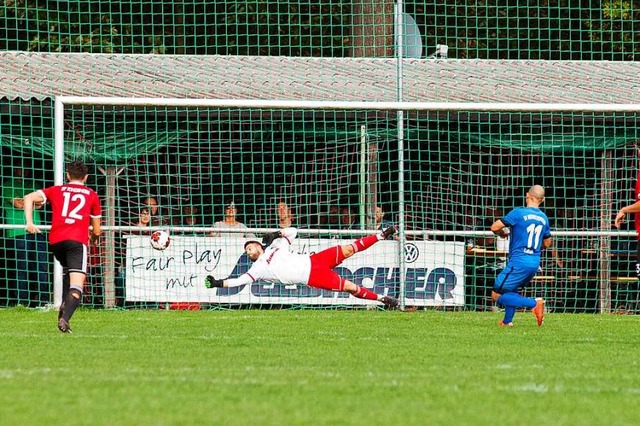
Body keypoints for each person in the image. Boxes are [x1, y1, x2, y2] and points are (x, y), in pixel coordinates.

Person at [204, 226, 400, 309]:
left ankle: (381, 235)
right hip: (312, 276)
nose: (249, 251)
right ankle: (383, 299)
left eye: (250, 247)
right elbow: (239, 281)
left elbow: (293, 232)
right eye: (247, 251)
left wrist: (277, 233)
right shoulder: (257, 268)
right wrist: (218, 283)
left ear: (257, 244)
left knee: (349, 248)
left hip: (315, 260)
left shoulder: (275, 245)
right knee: (351, 287)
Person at [23, 160, 102, 333]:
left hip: (56, 242)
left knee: (69, 273)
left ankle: (61, 316)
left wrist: (29, 222)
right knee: (77, 284)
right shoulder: (92, 195)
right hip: (76, 242)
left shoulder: (57, 190)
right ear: (86, 177)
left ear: (67, 175)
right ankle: (65, 319)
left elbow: (28, 197)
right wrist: (94, 238)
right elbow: (96, 229)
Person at [489, 185, 551, 327]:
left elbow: (494, 227)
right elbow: (547, 243)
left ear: (527, 195)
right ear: (543, 200)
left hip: (519, 261)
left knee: (496, 295)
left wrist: (502, 234)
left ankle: (534, 304)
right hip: (534, 262)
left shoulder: (518, 213)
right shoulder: (543, 218)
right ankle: (507, 321)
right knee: (511, 289)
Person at [1, 166, 50, 307]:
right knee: (22, 267)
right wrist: (33, 203)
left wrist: (27, 203)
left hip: (38, 230)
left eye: (25, 168)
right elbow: (17, 204)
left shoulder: (33, 184)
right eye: (19, 168)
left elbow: (42, 204)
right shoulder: (8, 184)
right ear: (14, 169)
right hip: (18, 231)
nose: (23, 170)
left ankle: (43, 301)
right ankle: (23, 302)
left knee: (41, 266)